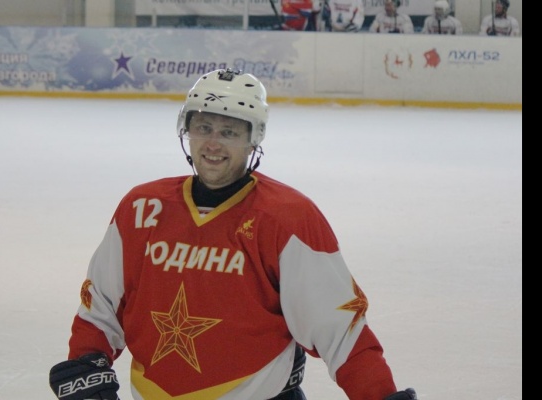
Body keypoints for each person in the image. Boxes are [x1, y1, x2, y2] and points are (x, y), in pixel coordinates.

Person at [48, 68, 419, 400]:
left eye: (229, 132)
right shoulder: (141, 209)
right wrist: (86, 364)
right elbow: (100, 308)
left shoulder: (288, 218)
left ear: (253, 138)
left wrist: (378, 394)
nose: (213, 143)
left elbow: (339, 329)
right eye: (203, 127)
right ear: (186, 130)